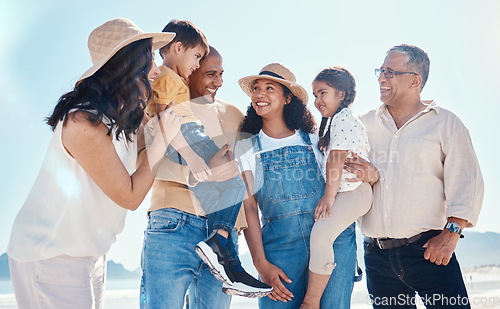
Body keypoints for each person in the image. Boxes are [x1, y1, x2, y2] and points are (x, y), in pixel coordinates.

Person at [7, 18, 178, 308]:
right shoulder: (82, 122)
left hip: (89, 253)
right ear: (128, 64)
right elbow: (130, 195)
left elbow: (155, 140)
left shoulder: (121, 117)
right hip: (51, 254)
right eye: (149, 58)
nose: (156, 68)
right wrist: (161, 140)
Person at [346, 44, 484, 308]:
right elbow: (343, 174)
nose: (381, 77)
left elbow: (468, 181)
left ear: (415, 80)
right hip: (376, 257)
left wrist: (451, 234)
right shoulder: (361, 125)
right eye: (380, 71)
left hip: (430, 251)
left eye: (390, 72)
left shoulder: (446, 122)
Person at [139, 46, 270, 309]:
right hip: (174, 222)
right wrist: (202, 174)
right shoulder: (160, 102)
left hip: (224, 236)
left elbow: (242, 177)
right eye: (211, 73)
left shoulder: (234, 114)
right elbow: (143, 160)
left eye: (221, 74)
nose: (218, 82)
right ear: (189, 69)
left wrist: (240, 235)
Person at [236, 63, 358, 309]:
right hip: (280, 250)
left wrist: (372, 174)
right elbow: (249, 208)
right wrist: (261, 265)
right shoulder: (246, 148)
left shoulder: (316, 141)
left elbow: (347, 181)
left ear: (287, 98)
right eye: (256, 88)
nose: (260, 94)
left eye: (269, 88)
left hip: (332, 242)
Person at [300, 66, 372, 309]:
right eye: (315, 95)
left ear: (341, 94)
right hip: (348, 193)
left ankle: (311, 301)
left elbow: (336, 159)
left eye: (323, 93)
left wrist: (328, 197)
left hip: (354, 193)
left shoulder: (344, 119)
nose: (317, 100)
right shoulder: (333, 122)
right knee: (323, 234)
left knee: (320, 235)